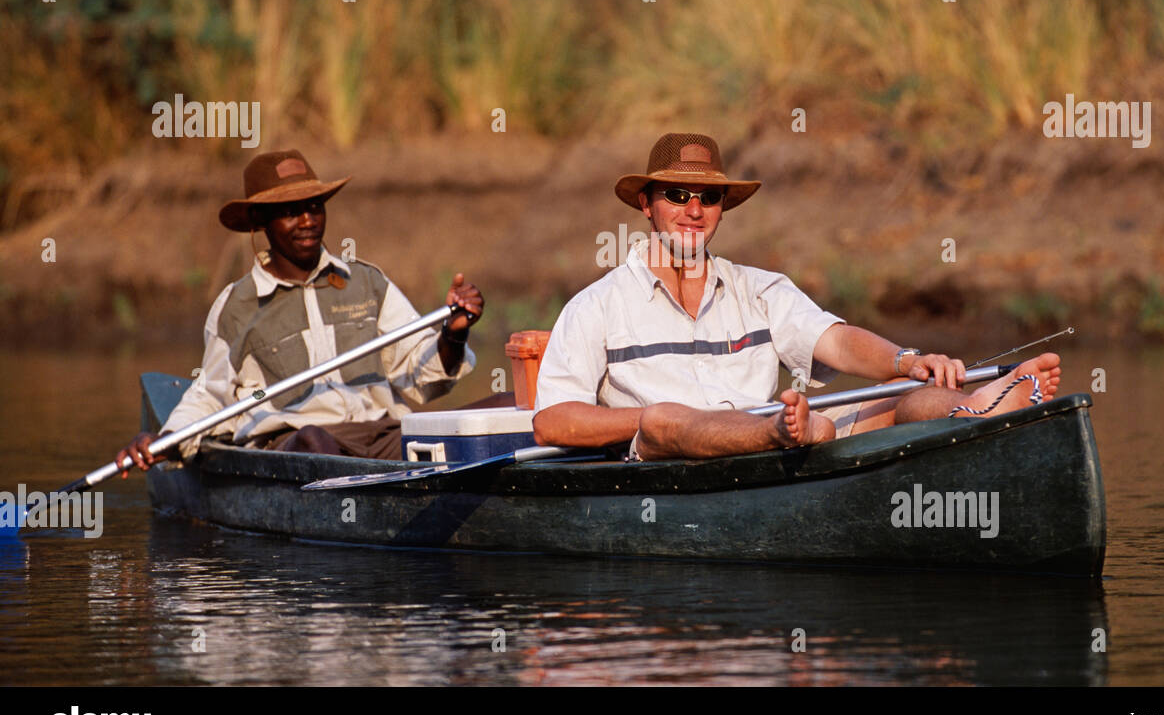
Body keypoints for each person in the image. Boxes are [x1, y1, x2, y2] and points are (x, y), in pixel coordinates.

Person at [531, 133, 1061, 461]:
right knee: (668, 418)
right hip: (670, 456)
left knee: (902, 399)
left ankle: (979, 407)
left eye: (709, 197)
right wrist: (647, 420)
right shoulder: (594, 305)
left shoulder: (761, 289)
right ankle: (779, 436)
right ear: (646, 205)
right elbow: (551, 421)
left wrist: (909, 359)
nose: (694, 209)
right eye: (677, 195)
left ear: (722, 208)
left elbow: (839, 343)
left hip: (793, 431)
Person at [115, 149, 484, 471]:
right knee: (314, 440)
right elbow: (210, 395)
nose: (308, 221)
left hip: (383, 436)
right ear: (260, 221)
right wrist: (165, 440)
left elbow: (423, 374)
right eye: (291, 212)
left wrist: (454, 332)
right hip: (298, 448)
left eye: (314, 207)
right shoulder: (236, 307)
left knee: (504, 408)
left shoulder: (367, 282)